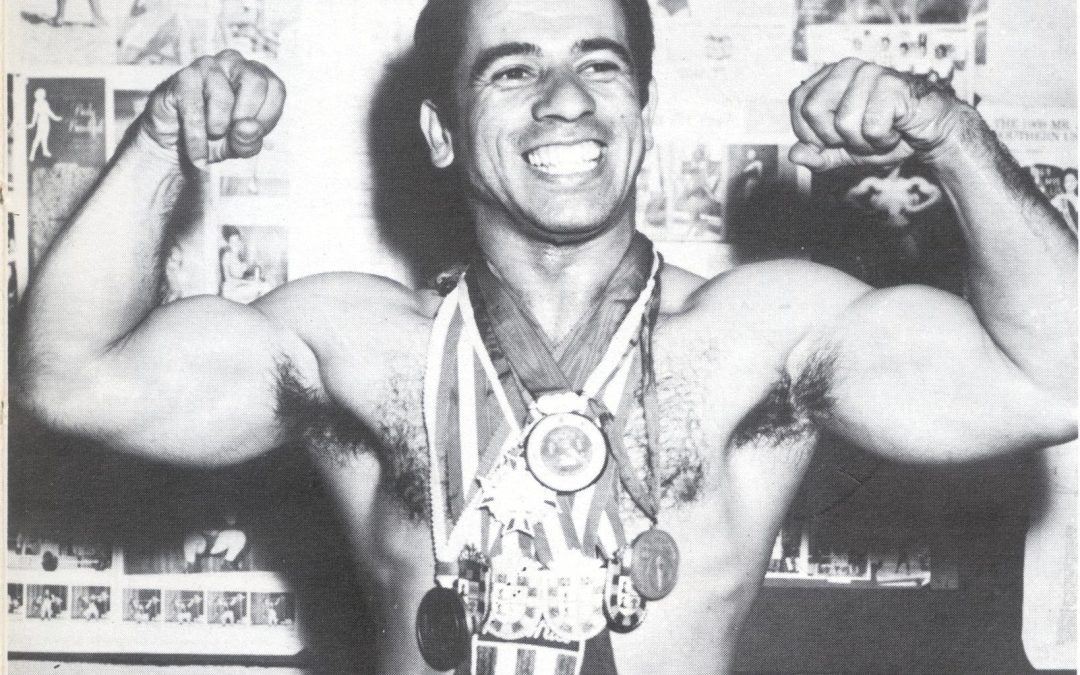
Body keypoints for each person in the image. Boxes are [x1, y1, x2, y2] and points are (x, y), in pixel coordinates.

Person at [13, 0, 1076, 673]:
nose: (566, 100)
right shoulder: (353, 342)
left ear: (643, 109)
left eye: (601, 65)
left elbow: (1053, 381)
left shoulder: (763, 333)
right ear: (440, 132)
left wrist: (952, 135)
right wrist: (160, 137)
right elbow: (72, 379)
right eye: (513, 69)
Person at [27, 88, 62, 162]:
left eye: (42, 94)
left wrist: (33, 124)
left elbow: (38, 114)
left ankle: (45, 151)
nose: (42, 96)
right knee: (38, 138)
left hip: (45, 121)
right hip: (42, 122)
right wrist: (56, 118)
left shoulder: (41, 103)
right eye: (40, 95)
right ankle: (32, 154)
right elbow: (46, 113)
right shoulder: (39, 104)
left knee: (44, 137)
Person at [1051, 168, 1078, 234]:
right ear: (1063, 183)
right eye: (1067, 181)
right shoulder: (1058, 198)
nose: (1070, 184)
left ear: (1077, 182)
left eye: (1073, 181)